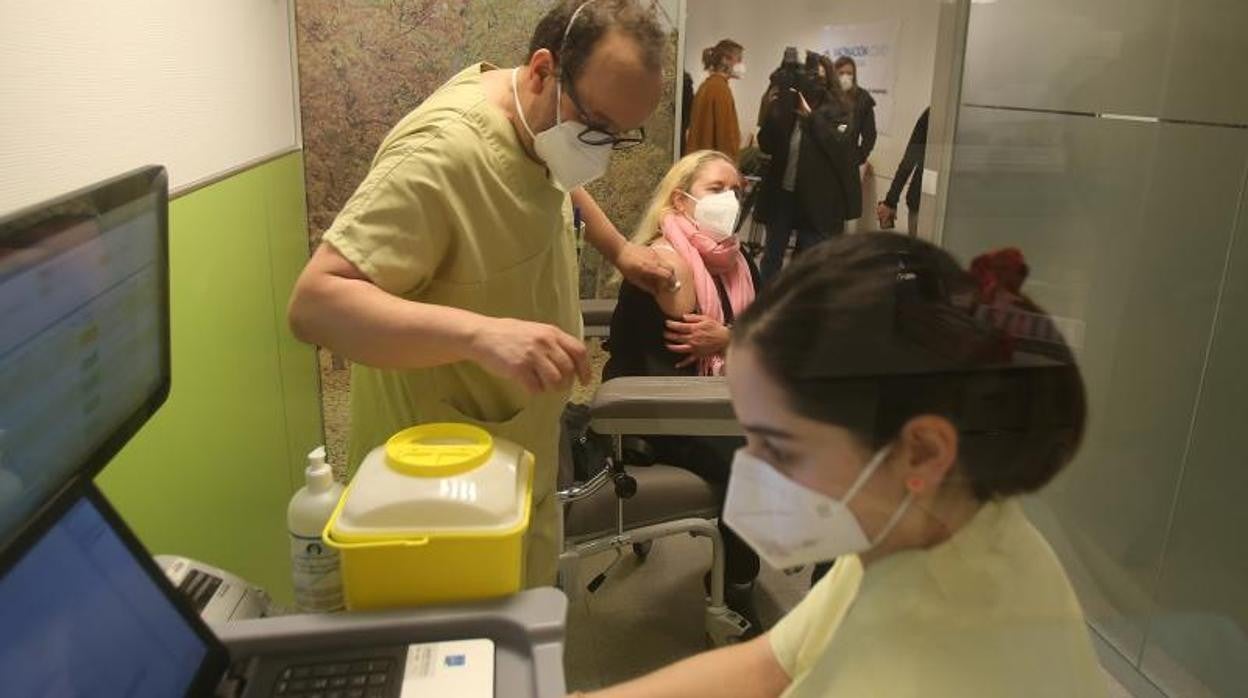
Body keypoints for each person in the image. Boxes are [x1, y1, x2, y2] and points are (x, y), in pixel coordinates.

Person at [573, 233, 1106, 698]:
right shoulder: (923, 524)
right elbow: (768, 666)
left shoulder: (927, 664)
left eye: (780, 448)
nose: (751, 470)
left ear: (921, 450)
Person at [287, 0, 672, 590]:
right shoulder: (441, 154)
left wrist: (619, 248)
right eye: (596, 126)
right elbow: (316, 304)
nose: (599, 147)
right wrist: (479, 334)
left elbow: (558, 177)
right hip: (437, 491)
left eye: (618, 136)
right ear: (543, 69)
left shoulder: (541, 123)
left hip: (519, 455)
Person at [602, 150, 762, 627]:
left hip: (720, 401)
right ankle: (738, 583)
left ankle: (783, 557)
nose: (731, 200)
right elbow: (672, 324)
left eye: (737, 190)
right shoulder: (659, 260)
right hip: (658, 407)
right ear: (680, 199)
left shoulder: (740, 261)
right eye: (717, 189)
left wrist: (730, 339)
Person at [755, 52, 859, 283]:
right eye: (810, 78)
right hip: (784, 193)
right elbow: (767, 144)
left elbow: (838, 146)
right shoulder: (788, 104)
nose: (813, 84)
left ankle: (798, 305)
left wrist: (810, 117)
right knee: (772, 255)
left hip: (816, 200)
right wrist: (776, 110)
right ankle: (765, 306)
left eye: (819, 78)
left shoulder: (838, 109)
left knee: (809, 261)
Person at [687, 39, 745, 160]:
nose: (742, 65)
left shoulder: (707, 86)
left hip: (700, 162)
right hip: (714, 165)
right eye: (739, 59)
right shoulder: (720, 90)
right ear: (725, 60)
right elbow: (725, 136)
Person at [878, 107, 929, 236]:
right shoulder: (932, 114)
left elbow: (909, 160)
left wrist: (890, 201)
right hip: (921, 200)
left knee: (917, 252)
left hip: (921, 199)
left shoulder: (931, 113)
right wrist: (890, 201)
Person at [833, 55, 877, 168]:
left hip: (848, 161)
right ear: (834, 74)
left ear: (854, 75)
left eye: (849, 73)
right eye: (841, 73)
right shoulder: (827, 95)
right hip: (825, 161)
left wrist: (859, 157)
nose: (845, 76)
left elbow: (870, 135)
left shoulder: (863, 98)